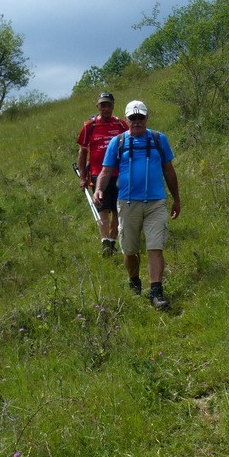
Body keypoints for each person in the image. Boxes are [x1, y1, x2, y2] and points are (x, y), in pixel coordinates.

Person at [94, 100, 180, 310]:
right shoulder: (118, 142)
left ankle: (156, 292)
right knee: (130, 251)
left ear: (146, 118)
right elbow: (105, 172)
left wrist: (176, 198)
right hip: (128, 203)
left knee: (155, 247)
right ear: (126, 120)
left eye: (141, 117)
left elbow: (169, 170)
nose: (137, 122)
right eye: (133, 118)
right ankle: (134, 280)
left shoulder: (159, 139)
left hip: (155, 203)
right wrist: (98, 189)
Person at [76, 92, 129, 255]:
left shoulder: (121, 125)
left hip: (120, 173)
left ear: (113, 106)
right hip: (98, 174)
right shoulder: (89, 126)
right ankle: (105, 242)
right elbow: (83, 152)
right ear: (97, 106)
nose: (106, 108)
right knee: (102, 209)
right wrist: (83, 177)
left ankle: (112, 243)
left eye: (108, 105)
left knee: (117, 209)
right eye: (102, 105)